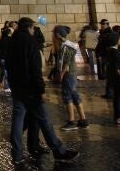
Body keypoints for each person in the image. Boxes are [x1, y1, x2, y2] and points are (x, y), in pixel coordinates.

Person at [6, 17, 78, 166]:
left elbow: (8, 65)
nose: (34, 30)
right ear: (29, 28)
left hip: (17, 87)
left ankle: (17, 154)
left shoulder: (12, 42)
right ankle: (59, 150)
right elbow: (35, 69)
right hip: (31, 88)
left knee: (18, 121)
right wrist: (41, 89)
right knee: (45, 120)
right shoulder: (31, 42)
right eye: (33, 28)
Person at [54, 26, 89, 131]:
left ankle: (71, 121)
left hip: (68, 74)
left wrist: (61, 74)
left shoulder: (66, 46)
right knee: (74, 95)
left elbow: (66, 63)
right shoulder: (67, 44)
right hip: (70, 73)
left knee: (67, 96)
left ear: (58, 35)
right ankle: (83, 119)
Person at [0, 27, 11, 92]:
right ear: (8, 34)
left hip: (0, 59)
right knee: (6, 72)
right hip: (6, 58)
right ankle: (6, 87)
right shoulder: (10, 40)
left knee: (3, 72)